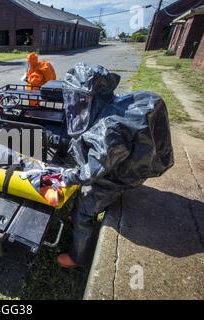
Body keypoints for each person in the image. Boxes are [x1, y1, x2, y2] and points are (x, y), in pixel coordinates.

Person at [56, 63, 174, 269]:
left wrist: (68, 176)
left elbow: (90, 173)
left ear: (92, 97)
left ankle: (77, 258)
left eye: (79, 99)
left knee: (83, 210)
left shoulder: (108, 129)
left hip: (119, 178)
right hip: (129, 165)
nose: (74, 105)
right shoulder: (115, 105)